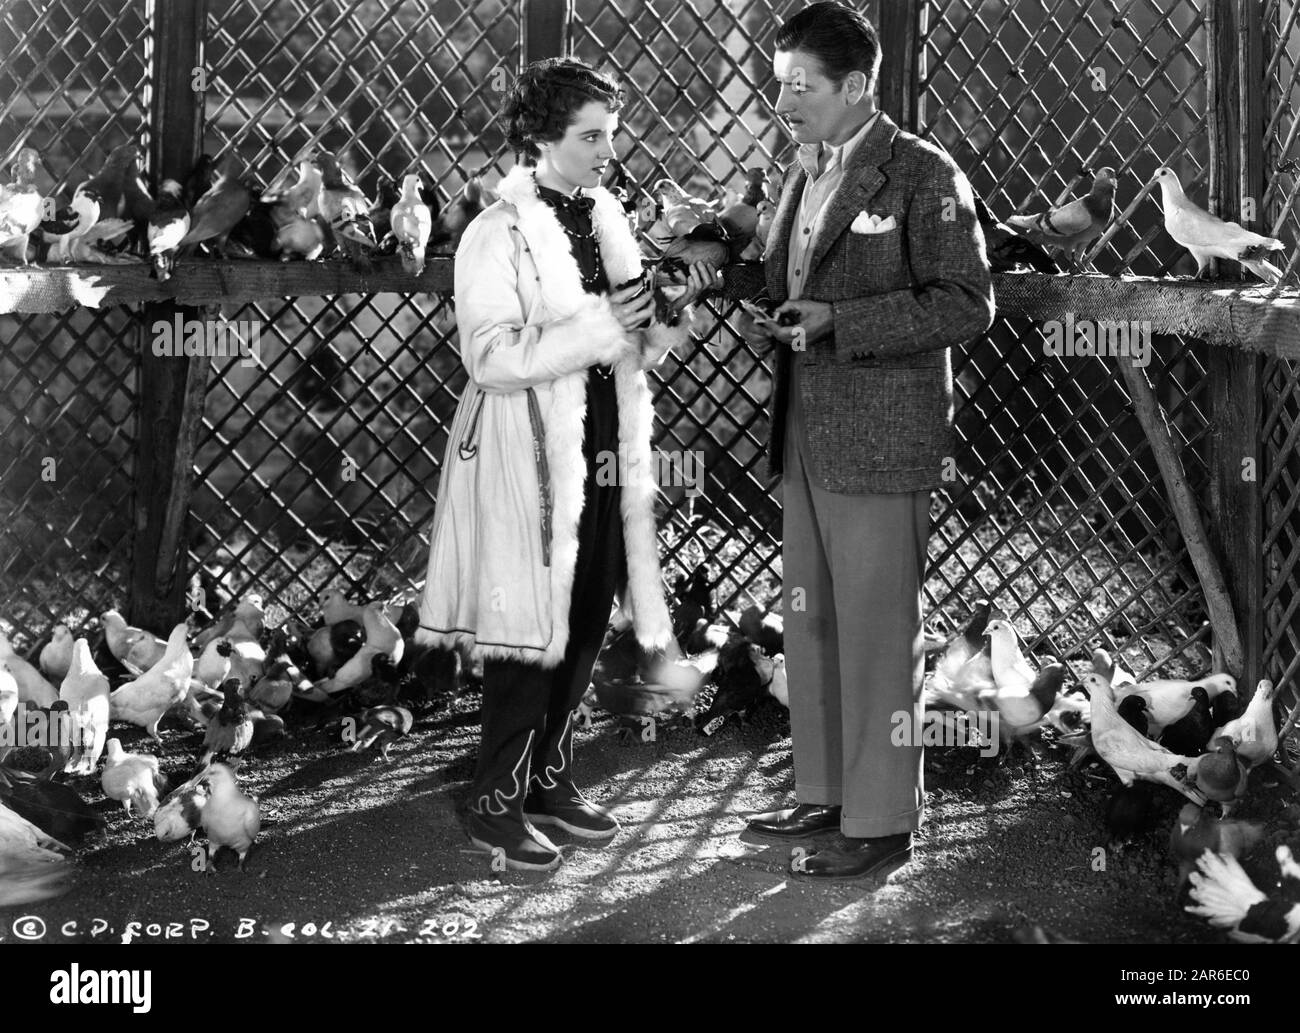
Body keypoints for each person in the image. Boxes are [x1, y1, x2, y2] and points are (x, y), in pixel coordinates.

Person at [416, 57, 717, 871]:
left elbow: (637, 344)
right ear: (543, 138)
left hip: (602, 440)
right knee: (528, 624)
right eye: (590, 137)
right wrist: (597, 324)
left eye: (611, 137)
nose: (606, 151)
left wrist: (664, 313)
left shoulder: (607, 215)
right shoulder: (495, 231)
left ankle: (548, 774)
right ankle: (493, 797)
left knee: (587, 609)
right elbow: (487, 357)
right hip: (525, 446)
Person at [739, 2, 994, 880]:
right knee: (809, 620)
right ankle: (822, 791)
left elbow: (968, 302)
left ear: (855, 86)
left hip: (883, 441)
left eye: (799, 86)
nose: (785, 101)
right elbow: (791, 283)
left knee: (880, 631)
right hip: (805, 430)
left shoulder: (923, 173)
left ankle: (881, 819)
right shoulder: (802, 170)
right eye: (780, 84)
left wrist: (840, 321)